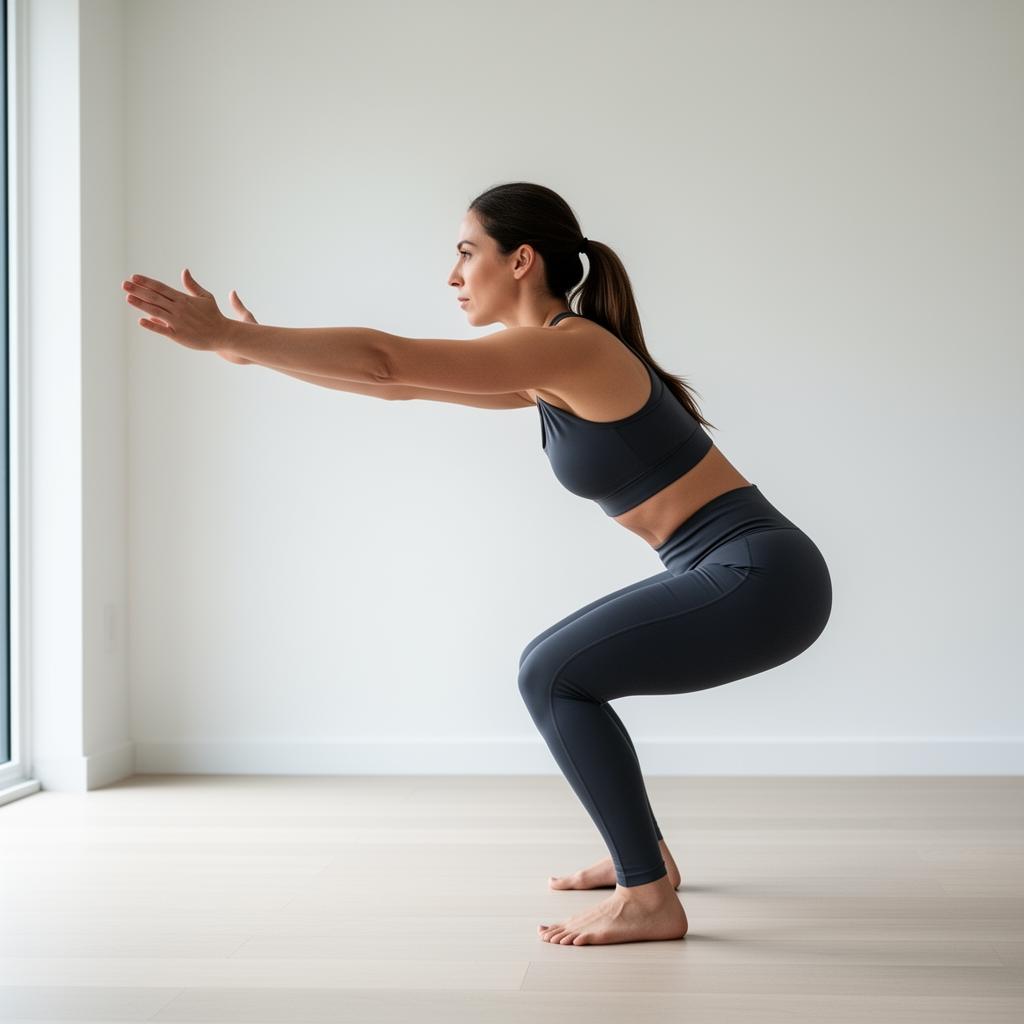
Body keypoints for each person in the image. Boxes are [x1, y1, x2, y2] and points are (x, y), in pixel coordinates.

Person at [121, 180, 832, 948]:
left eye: (467, 253)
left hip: (760, 575)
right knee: (550, 667)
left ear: (521, 259)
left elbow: (387, 362)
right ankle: (645, 858)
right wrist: (241, 348)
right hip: (744, 569)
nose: (453, 275)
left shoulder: (574, 346)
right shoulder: (552, 363)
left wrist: (244, 339)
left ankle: (649, 896)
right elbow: (401, 387)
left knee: (552, 674)